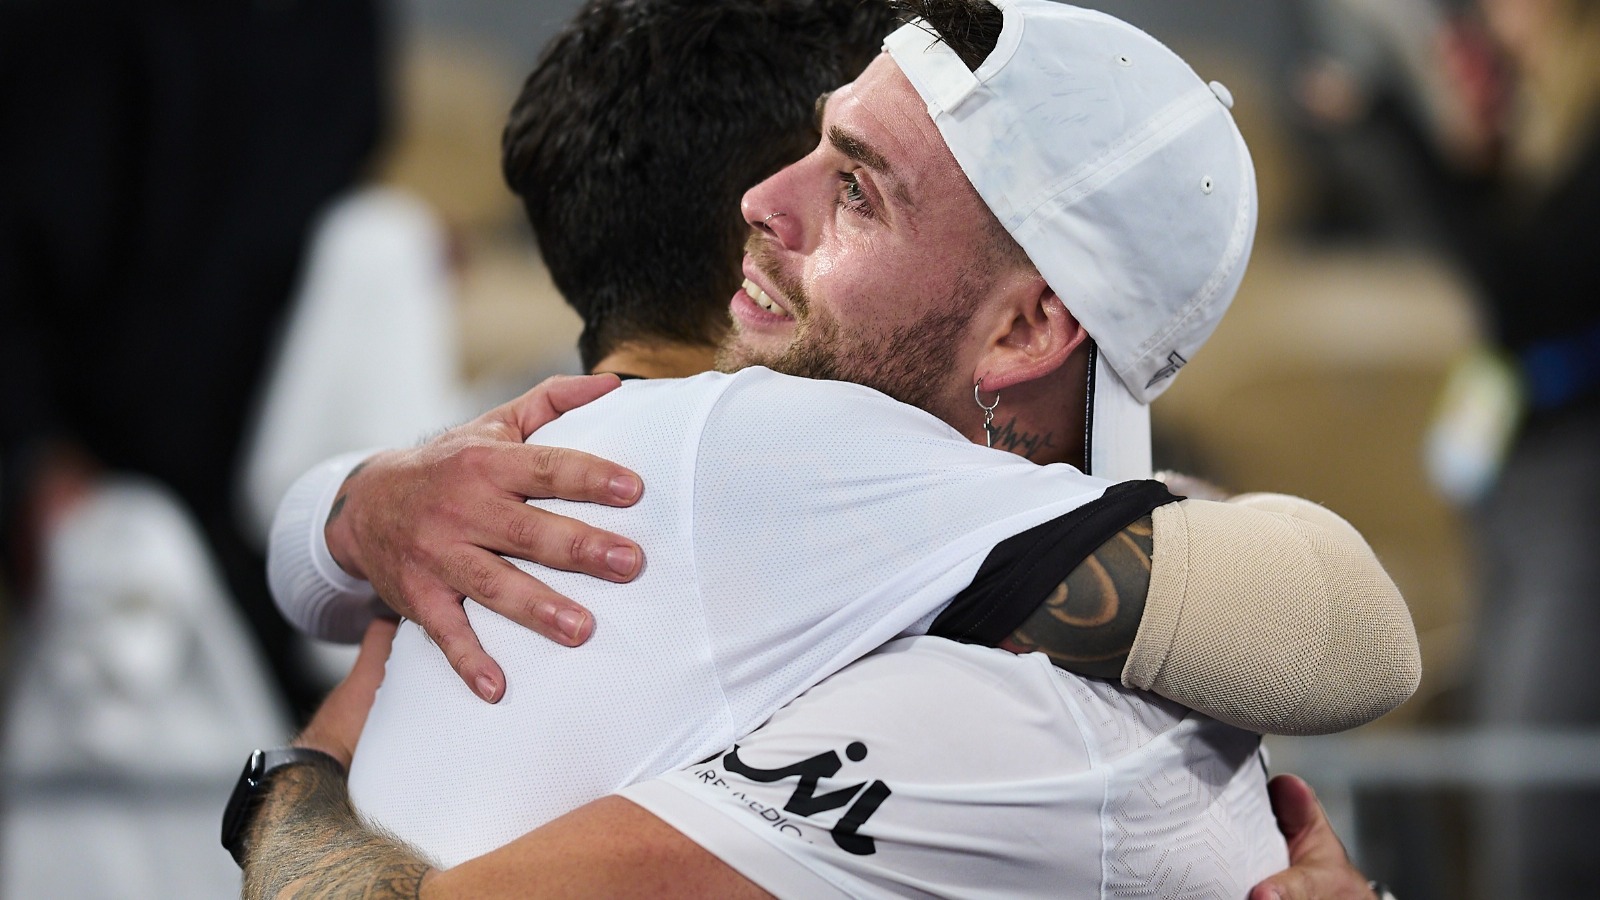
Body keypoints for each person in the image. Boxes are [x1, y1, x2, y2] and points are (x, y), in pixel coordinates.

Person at [242, 0, 1412, 895]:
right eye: (814, 147)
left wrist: (301, 755)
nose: (761, 200)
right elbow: (1343, 634)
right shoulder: (753, 465)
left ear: (1027, 327)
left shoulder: (729, 463)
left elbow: (1340, 630)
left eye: (857, 189)